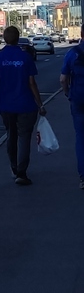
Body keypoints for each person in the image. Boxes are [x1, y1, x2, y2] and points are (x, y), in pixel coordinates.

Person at [0, 25, 46, 185]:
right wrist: (40, 103)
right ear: (18, 38)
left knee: (11, 136)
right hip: (26, 105)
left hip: (6, 106)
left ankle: (13, 168)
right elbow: (32, 83)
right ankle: (21, 172)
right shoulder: (25, 57)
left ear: (4, 38)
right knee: (24, 138)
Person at [59, 29, 84, 188]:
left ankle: (83, 177)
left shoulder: (73, 53)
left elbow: (63, 79)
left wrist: (67, 93)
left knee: (81, 138)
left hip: (78, 99)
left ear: (81, 34)